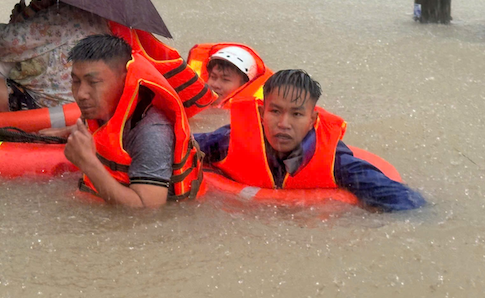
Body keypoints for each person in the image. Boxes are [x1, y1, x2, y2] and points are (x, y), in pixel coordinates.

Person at [194, 69, 426, 212]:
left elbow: (399, 199)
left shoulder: (333, 159)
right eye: (275, 111)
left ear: (312, 119)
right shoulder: (229, 140)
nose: (284, 123)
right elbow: (181, 144)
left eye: (296, 114)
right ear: (262, 113)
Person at [43, 35, 204, 207]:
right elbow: (101, 132)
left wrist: (88, 164)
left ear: (125, 80)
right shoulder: (99, 108)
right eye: (76, 81)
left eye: (93, 82)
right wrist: (63, 132)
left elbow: (148, 209)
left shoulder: (152, 132)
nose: (81, 93)